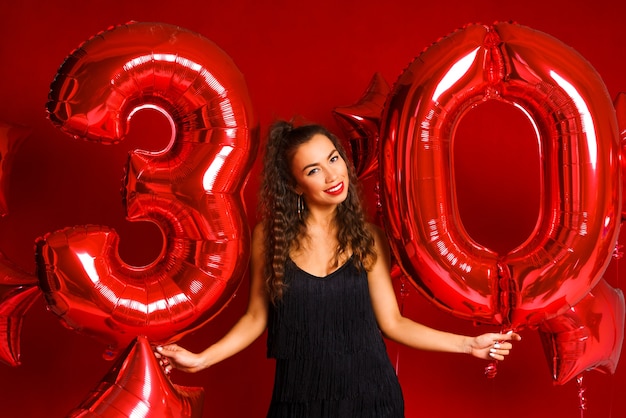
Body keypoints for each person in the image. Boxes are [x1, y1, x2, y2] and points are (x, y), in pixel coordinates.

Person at [155, 120, 521, 417]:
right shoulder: (269, 238)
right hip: (297, 402)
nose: (333, 176)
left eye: (334, 159)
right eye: (314, 169)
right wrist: (202, 359)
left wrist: (470, 344)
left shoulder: (370, 239)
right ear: (295, 186)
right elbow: (255, 317)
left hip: (372, 401)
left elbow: (392, 323)